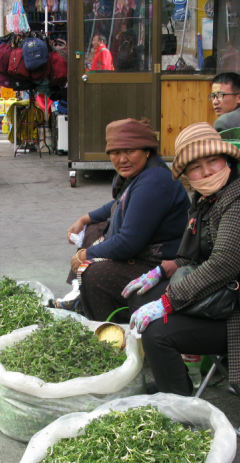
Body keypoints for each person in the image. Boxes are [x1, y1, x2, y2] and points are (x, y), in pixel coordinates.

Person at [123, 122, 240, 396]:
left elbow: (223, 265)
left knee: (157, 332)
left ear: (226, 159)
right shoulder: (207, 198)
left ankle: (179, 406)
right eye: (195, 167)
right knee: (138, 298)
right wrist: (161, 271)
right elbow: (191, 255)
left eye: (213, 161)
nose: (205, 172)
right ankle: (177, 382)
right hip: (225, 293)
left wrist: (168, 302)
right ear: (187, 174)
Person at [59, 118, 190, 322]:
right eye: (115, 152)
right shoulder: (142, 173)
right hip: (143, 246)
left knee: (94, 276)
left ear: (147, 150)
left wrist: (85, 254)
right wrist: (85, 219)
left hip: (159, 261)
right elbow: (118, 206)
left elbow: (128, 243)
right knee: (94, 230)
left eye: (130, 151)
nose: (122, 159)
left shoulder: (153, 182)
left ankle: (109, 327)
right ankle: (82, 299)